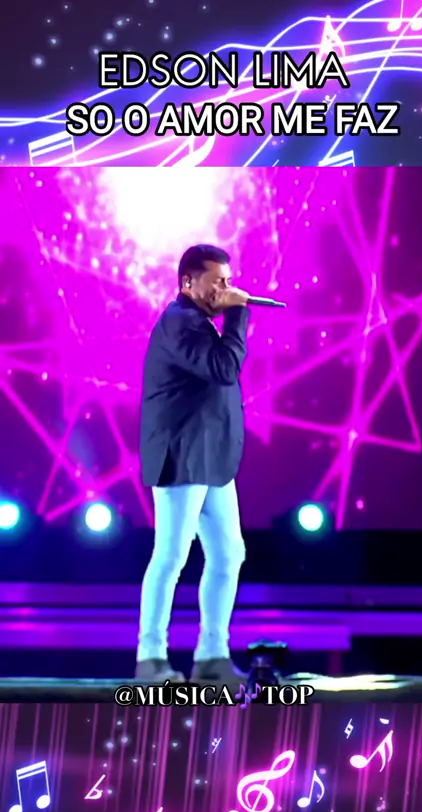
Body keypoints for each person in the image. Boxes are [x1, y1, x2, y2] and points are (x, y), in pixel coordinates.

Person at [137, 244, 251, 684]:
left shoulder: (198, 324)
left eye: (229, 280)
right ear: (188, 282)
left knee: (229, 552)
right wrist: (238, 315)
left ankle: (212, 655)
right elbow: (224, 368)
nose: (226, 288)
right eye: (217, 281)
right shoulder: (180, 321)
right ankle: (150, 658)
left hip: (210, 457)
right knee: (170, 556)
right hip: (183, 456)